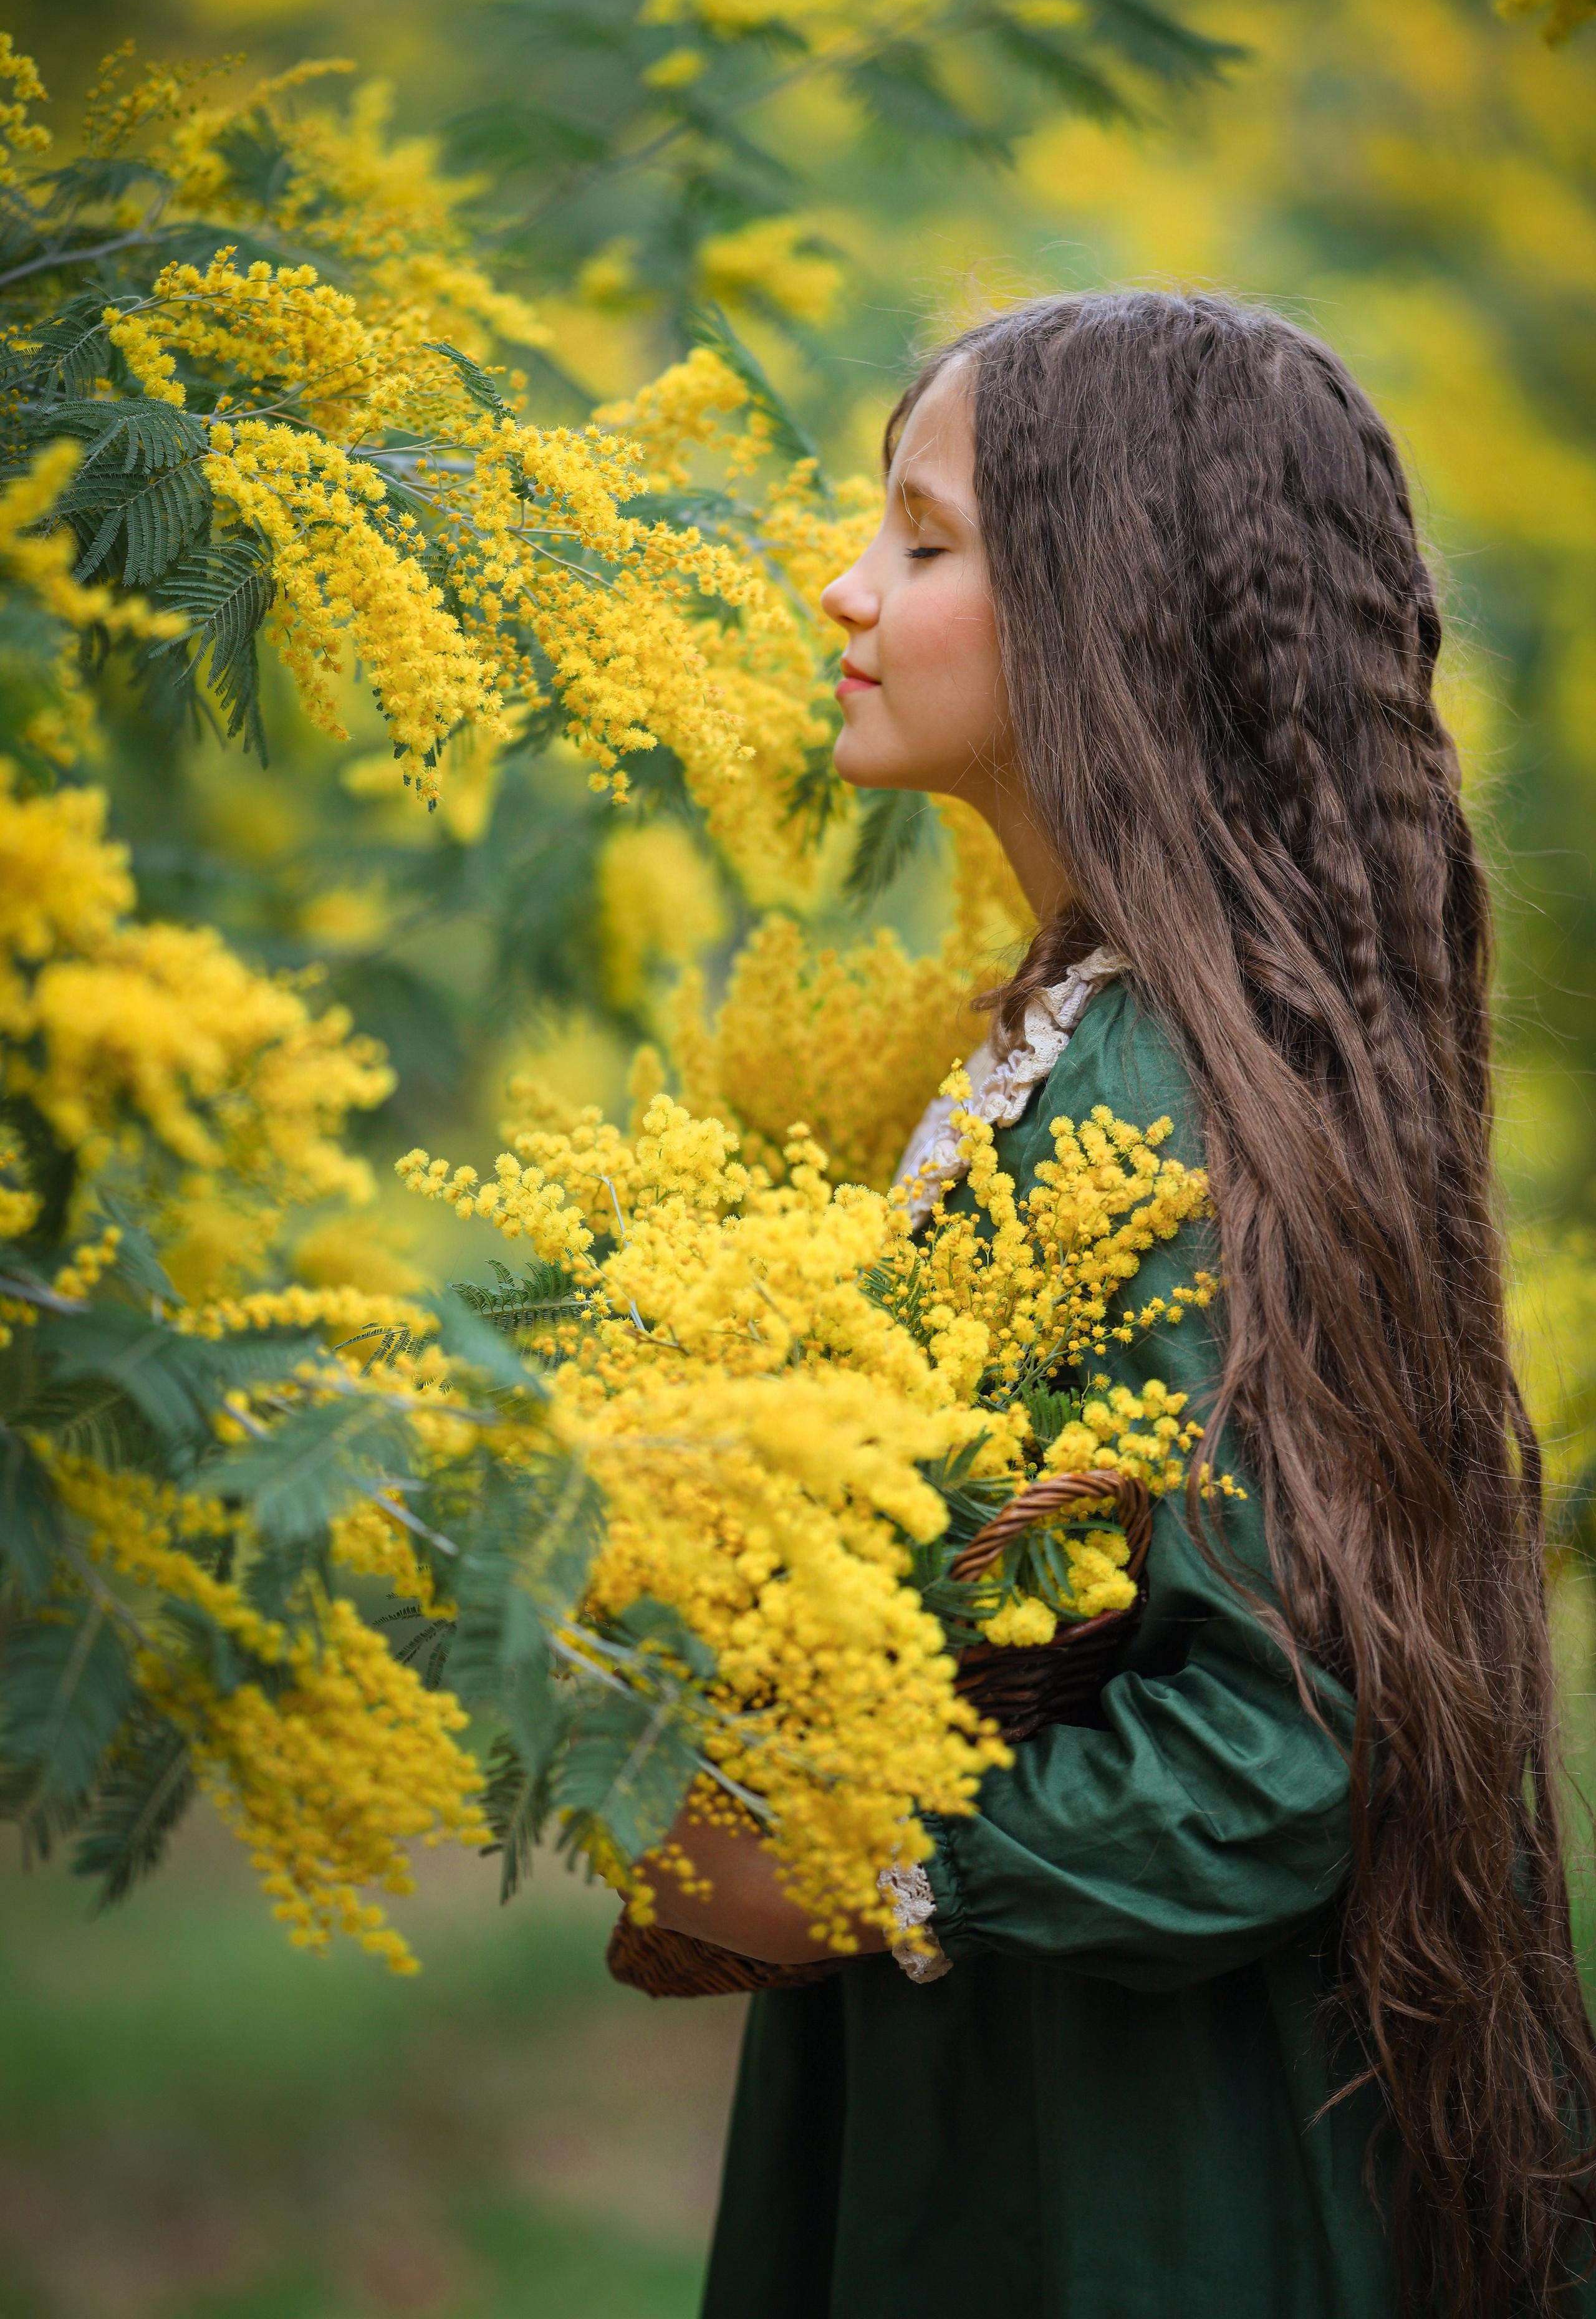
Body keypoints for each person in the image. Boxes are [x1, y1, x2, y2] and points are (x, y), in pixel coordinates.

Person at [639, 291, 1596, 2318]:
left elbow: (1283, 1751)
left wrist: (869, 1861)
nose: (844, 587)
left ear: (1108, 603)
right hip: (1004, 2079)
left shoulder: (1172, 1099)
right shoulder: (1089, 1046)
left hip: (1140, 2161)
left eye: (921, 538)